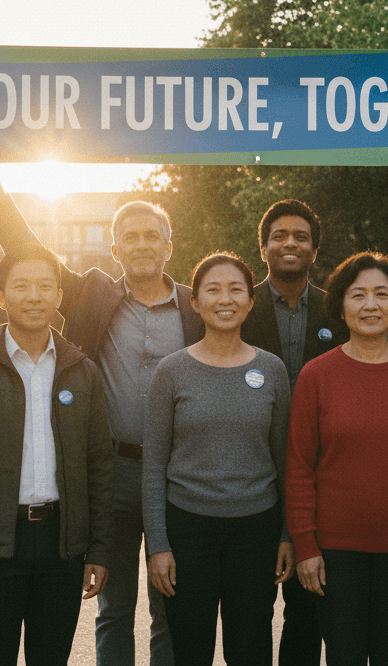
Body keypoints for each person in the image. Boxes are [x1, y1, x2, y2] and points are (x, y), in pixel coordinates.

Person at [0, 133, 201, 666]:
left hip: (178, 476)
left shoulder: (198, 304)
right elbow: (22, 245)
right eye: (130, 237)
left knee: (172, 604)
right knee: (113, 606)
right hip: (112, 474)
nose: (141, 244)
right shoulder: (93, 293)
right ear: (114, 248)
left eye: (152, 236)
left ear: (169, 245)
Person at [0, 244, 116, 665]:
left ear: (58, 297)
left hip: (61, 548)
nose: (34, 296)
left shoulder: (81, 372)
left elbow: (100, 468)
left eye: (45, 287)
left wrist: (100, 550)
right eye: (21, 286)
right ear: (1, 297)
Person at [287, 251, 388, 666]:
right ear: (341, 305)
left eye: (382, 294)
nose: (371, 305)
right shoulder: (316, 375)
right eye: (358, 295)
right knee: (343, 655)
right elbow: (299, 466)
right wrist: (305, 544)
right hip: (336, 551)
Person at [144, 252, 294, 666]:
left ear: (250, 301)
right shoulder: (171, 372)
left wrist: (286, 533)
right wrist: (158, 545)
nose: (224, 299)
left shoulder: (272, 369)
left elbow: (284, 461)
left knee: (250, 648)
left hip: (256, 531)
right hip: (187, 530)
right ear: (195, 301)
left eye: (235, 290)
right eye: (212, 289)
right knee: (190, 649)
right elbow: (154, 465)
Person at [238, 199, 338, 666]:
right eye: (279, 236)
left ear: (314, 250)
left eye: (301, 236)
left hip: (321, 474)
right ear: (263, 247)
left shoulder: (338, 307)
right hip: (251, 470)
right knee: (249, 611)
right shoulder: (239, 304)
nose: (290, 244)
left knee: (309, 607)